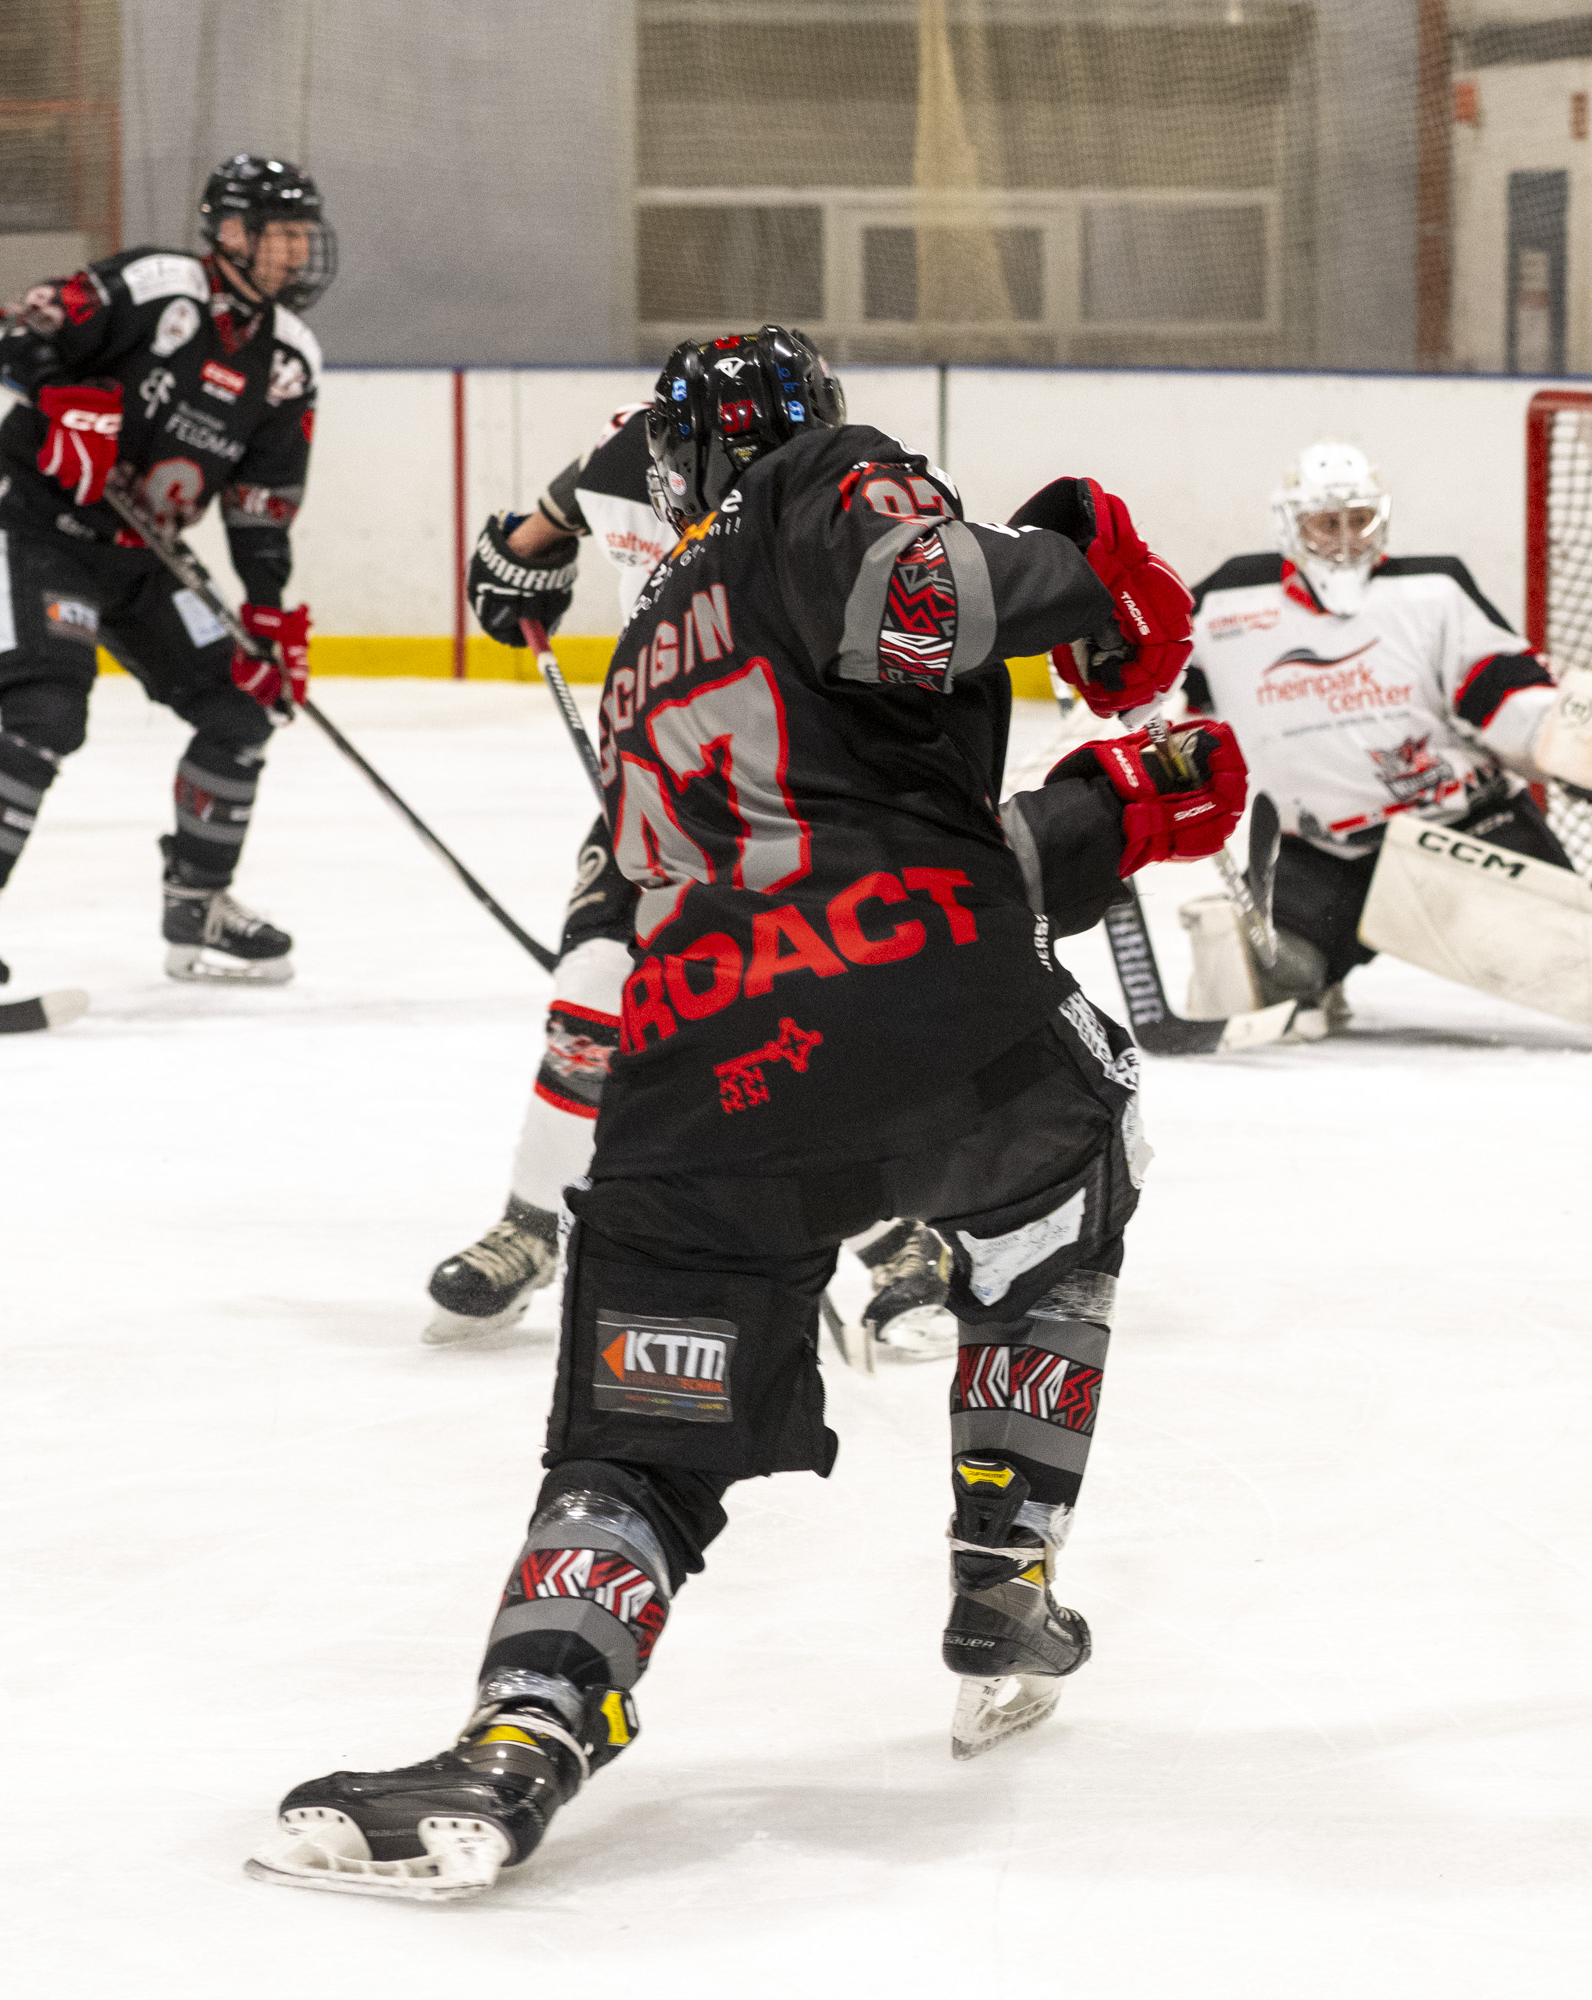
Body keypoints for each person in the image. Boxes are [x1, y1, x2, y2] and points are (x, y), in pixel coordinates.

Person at [247, 326, 1247, 1901]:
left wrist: (1097, 816)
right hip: (927, 1017)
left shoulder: (650, 640)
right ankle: (1004, 1568)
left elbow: (835, 841)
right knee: (1083, 1143)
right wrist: (1084, 572)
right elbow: (933, 630)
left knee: (642, 1448)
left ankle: (521, 1732)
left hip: (688, 1073)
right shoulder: (818, 480)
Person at [435, 405, 957, 1361]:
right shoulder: (639, 446)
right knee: (592, 997)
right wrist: (524, 559)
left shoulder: (846, 496)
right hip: (659, 793)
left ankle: (897, 1228)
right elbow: (552, 516)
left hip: (799, 803)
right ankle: (532, 1224)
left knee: (805, 1015)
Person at [1181, 441, 1592, 1050]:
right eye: (1328, 523)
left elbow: (1501, 688)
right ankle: (1314, 981)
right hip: (1317, 855)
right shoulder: (1227, 603)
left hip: (1459, 833)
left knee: (1583, 960)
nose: (1347, 539)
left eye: (1361, 520)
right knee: (1253, 978)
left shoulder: (1431, 589)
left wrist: (1572, 742)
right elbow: (1166, 690)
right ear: (1291, 525)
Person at [0, 154, 328, 993]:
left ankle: (198, 902)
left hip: (144, 554)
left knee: (244, 705)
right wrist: (60, 395)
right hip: (38, 527)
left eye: (302, 236)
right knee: (46, 713)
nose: (297, 253)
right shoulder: (154, 286)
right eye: (282, 235)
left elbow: (258, 507)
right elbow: (5, 335)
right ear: (234, 233)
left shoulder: (289, 360)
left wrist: (269, 619)